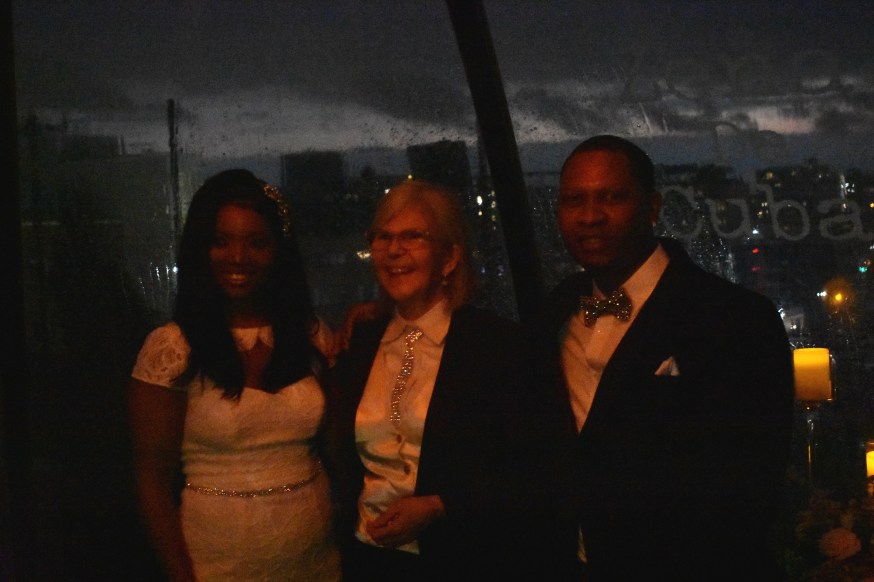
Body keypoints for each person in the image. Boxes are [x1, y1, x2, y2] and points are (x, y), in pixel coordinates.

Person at [537, 135, 794, 579]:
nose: (590, 216)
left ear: (652, 208)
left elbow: (752, 487)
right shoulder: (555, 312)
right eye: (573, 200)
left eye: (611, 197)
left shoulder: (735, 318)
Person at [322, 179, 578, 582]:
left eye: (413, 236)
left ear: (449, 258)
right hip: (366, 562)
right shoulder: (359, 342)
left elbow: (539, 469)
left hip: (465, 560)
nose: (394, 250)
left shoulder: (502, 348)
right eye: (383, 237)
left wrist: (440, 506)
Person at [128, 169, 341, 581]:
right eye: (220, 241)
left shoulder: (310, 334)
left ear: (278, 251)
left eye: (257, 243)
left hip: (315, 558)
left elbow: (342, 452)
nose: (238, 257)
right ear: (200, 248)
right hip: (216, 563)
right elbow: (152, 483)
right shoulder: (172, 348)